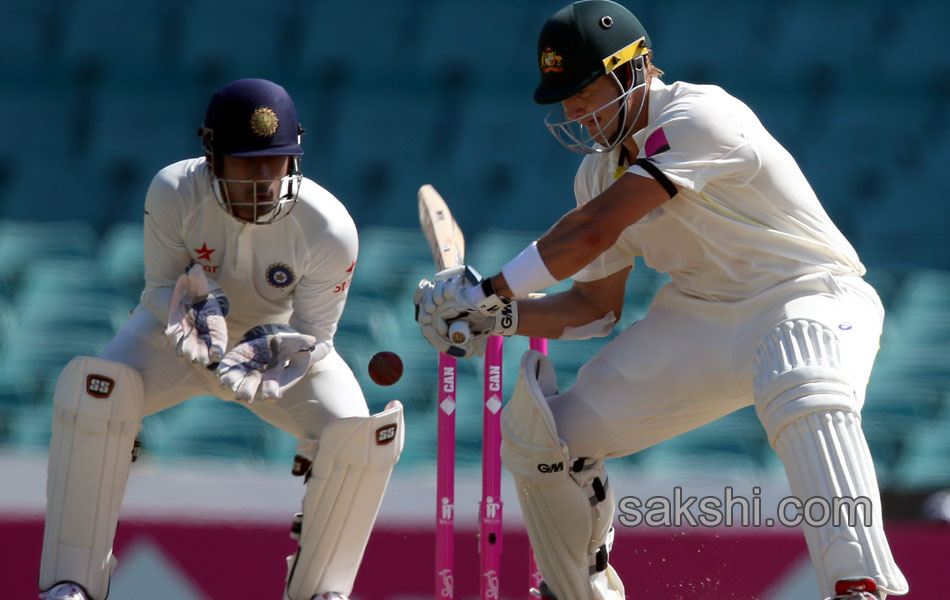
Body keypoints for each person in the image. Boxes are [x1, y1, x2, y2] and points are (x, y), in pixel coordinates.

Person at [414, 2, 908, 599]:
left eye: (582, 89)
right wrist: (497, 316)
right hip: (701, 320)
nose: (573, 110)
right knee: (548, 438)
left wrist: (488, 287)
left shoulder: (700, 115)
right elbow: (595, 308)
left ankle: (858, 585)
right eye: (563, 97)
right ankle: (579, 590)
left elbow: (592, 232)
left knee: (800, 376)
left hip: (810, 294)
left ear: (634, 68)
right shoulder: (596, 174)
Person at [38, 78, 404, 600]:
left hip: (275, 356)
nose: (262, 180)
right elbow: (161, 285)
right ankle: (70, 583)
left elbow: (315, 335)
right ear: (212, 156)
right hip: (177, 338)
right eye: (246, 162)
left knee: (360, 436)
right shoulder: (172, 191)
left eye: (274, 163)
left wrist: (276, 353)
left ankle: (323, 590)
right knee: (95, 392)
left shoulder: (330, 228)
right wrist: (186, 316)